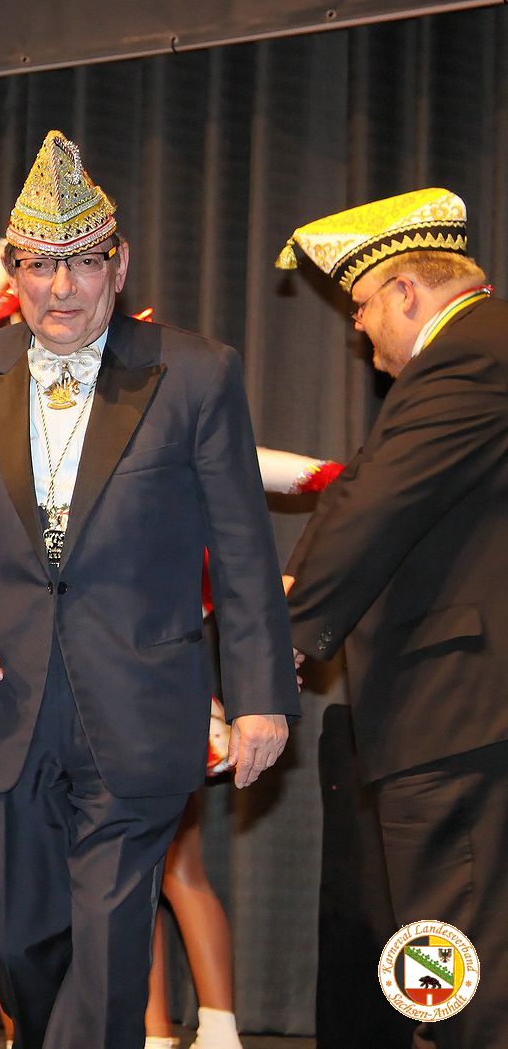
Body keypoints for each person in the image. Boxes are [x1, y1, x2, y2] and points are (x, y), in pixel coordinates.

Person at [0, 130, 297, 1049]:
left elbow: (242, 548)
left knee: (112, 938)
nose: (62, 289)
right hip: (4, 698)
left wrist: (261, 696)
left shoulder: (196, 371)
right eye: (41, 266)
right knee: (10, 938)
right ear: (16, 272)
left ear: (119, 266)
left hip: (142, 698)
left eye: (82, 264)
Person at [279, 188, 508, 1049]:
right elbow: (371, 497)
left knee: (453, 966)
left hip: (456, 714)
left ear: (407, 290)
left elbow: (377, 505)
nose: (360, 329)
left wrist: (285, 640)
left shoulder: (467, 357)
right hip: (478, 718)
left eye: (364, 305)